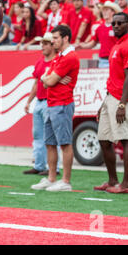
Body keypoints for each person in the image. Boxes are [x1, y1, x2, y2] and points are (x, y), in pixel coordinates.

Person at [94, 12, 128, 194]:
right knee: (104, 140)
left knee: (126, 138)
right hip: (111, 97)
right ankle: (113, 180)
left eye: (120, 23)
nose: (115, 26)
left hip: (122, 99)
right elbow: (116, 77)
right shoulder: (117, 45)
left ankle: (127, 184)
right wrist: (104, 103)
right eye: (113, 23)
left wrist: (122, 104)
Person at [31, 25, 79, 192]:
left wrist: (50, 78)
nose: (52, 41)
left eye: (56, 38)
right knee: (49, 143)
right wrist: (50, 78)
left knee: (65, 143)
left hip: (62, 104)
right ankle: (52, 178)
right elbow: (46, 78)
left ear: (65, 38)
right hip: (52, 104)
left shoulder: (69, 57)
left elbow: (49, 81)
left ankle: (65, 181)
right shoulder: (59, 57)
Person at [23, 32, 57, 175]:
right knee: (38, 135)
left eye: (45, 43)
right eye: (41, 43)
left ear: (52, 45)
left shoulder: (56, 62)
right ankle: (39, 165)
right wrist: (29, 101)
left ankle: (53, 168)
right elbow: (36, 83)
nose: (42, 46)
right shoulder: (40, 62)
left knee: (51, 137)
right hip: (40, 102)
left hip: (50, 102)